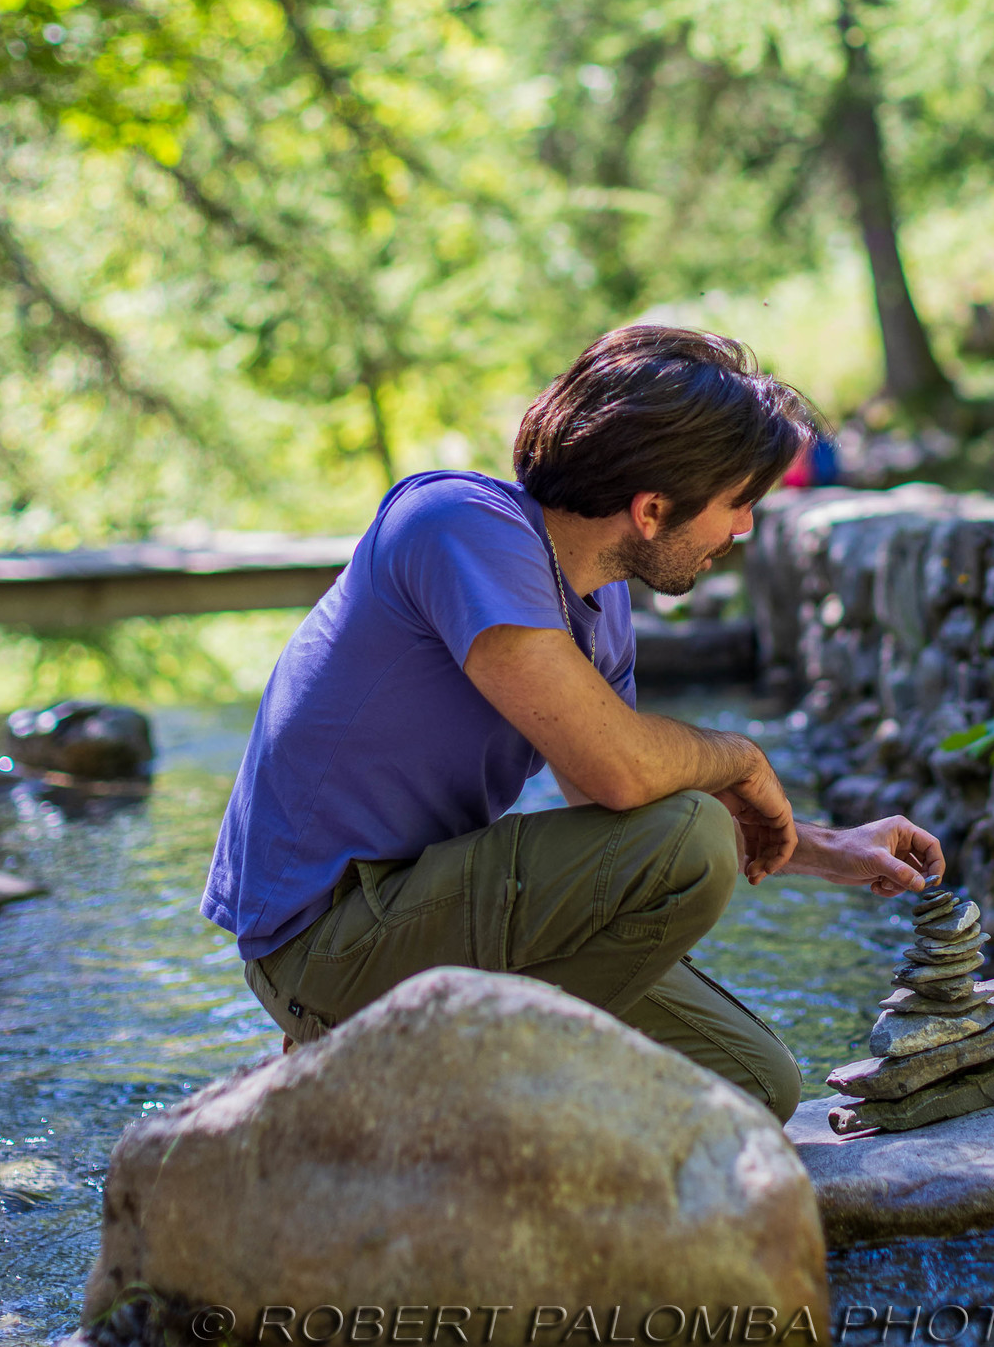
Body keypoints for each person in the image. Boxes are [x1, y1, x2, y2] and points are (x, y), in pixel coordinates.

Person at [202, 324, 943, 1121]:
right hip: (322, 945)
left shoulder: (604, 601)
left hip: (419, 913)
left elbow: (616, 810)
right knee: (690, 839)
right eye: (739, 503)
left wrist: (828, 850)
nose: (745, 530)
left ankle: (464, 1089)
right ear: (653, 509)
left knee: (751, 1087)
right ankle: (396, 1083)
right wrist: (739, 757)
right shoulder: (457, 524)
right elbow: (635, 787)